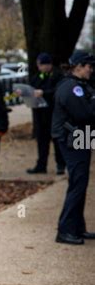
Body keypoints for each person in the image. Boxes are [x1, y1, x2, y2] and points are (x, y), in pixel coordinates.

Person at [51, 50, 95, 245]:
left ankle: (77, 227)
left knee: (80, 183)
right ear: (79, 66)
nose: (91, 70)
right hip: (74, 139)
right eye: (88, 66)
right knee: (78, 184)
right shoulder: (72, 88)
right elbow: (84, 114)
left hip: (81, 138)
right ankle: (65, 230)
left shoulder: (78, 86)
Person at [27, 52, 65, 175]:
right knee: (41, 141)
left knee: (57, 140)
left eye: (40, 65)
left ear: (47, 64)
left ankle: (60, 165)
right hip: (40, 114)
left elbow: (59, 91)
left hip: (53, 114)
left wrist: (44, 92)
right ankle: (41, 165)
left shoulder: (58, 75)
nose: (39, 67)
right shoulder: (38, 76)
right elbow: (31, 88)